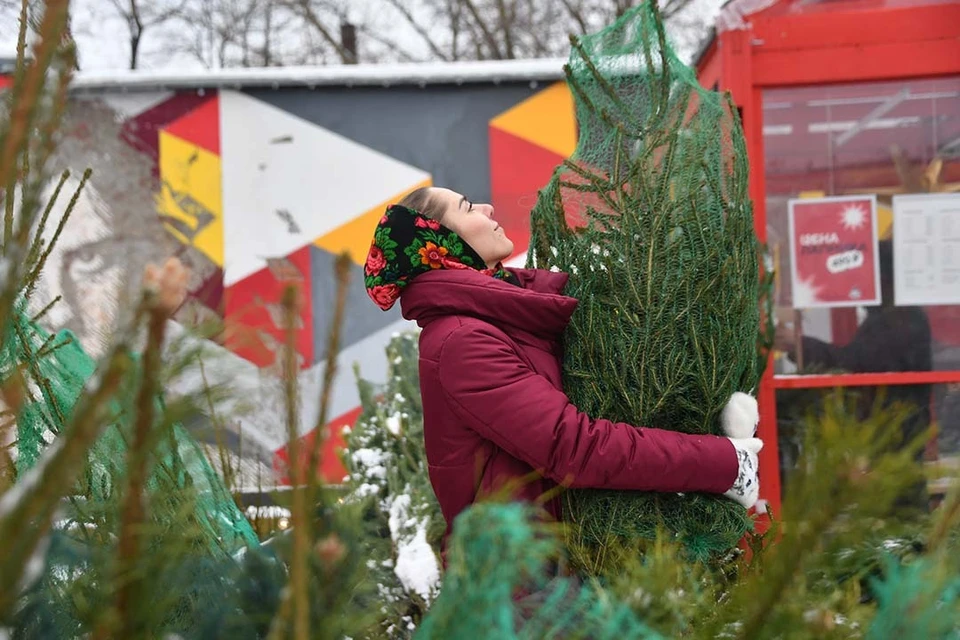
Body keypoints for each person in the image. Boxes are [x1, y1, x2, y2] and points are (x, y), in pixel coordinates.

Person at [363, 186, 764, 558]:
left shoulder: (500, 317)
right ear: (438, 243)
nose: (487, 208)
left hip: (562, 565)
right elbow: (572, 447)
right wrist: (725, 463)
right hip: (526, 586)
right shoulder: (462, 341)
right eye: (468, 207)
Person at [775, 239, 932, 512]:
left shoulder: (900, 320)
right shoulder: (893, 318)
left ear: (884, 280)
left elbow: (854, 364)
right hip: (891, 436)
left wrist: (798, 345)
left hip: (895, 438)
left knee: (899, 509)